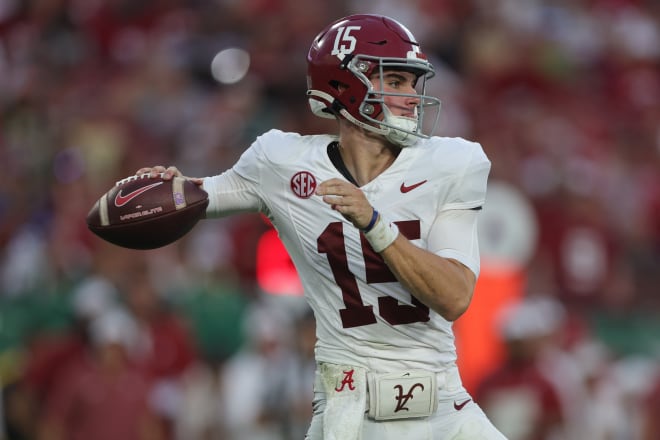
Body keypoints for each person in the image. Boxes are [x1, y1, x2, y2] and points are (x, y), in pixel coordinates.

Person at [137, 13, 506, 440]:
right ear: (347, 85)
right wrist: (169, 190)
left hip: (442, 404)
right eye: (397, 81)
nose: (412, 97)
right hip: (348, 414)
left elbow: (455, 296)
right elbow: (199, 197)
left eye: (413, 83)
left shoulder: (451, 164)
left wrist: (375, 224)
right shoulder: (280, 162)